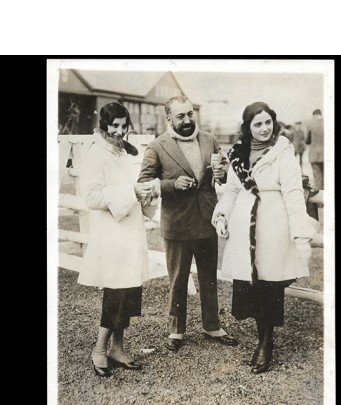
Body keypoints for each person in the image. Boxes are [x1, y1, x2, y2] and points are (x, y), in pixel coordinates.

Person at [212, 101, 319, 374]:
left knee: (270, 286)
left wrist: (300, 235)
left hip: (273, 226)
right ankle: (263, 338)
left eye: (267, 122)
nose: (264, 128)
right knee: (253, 285)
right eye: (257, 124)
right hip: (244, 227)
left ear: (274, 123)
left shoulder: (283, 151)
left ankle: (265, 343)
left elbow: (294, 193)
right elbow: (233, 192)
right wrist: (222, 214)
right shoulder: (238, 153)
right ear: (248, 127)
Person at [138, 95, 238, 351]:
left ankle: (212, 325)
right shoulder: (157, 146)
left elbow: (224, 173)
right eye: (180, 116)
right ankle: (176, 331)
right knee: (178, 280)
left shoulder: (209, 139)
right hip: (178, 224)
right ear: (169, 118)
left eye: (190, 114)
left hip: (207, 220)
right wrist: (170, 185)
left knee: (209, 278)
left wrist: (222, 173)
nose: (187, 120)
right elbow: (143, 183)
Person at [77, 102, 159, 377]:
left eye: (124, 126)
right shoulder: (95, 154)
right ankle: (99, 350)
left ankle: (118, 348)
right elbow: (90, 197)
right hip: (111, 235)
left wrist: (147, 195)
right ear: (104, 124)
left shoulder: (126, 152)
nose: (120, 132)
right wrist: (130, 193)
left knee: (130, 291)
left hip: (130, 232)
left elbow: (135, 189)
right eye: (115, 126)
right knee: (115, 292)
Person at [305, 109, 324, 189]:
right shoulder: (328, 122)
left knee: (317, 177)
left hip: (314, 154)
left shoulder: (310, 123)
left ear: (314, 115)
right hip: (326, 154)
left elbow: (308, 141)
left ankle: (320, 196)